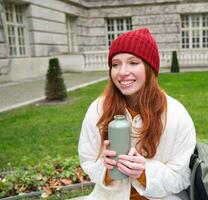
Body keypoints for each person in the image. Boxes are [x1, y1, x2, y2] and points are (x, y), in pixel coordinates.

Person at [78, 28, 196, 200]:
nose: (122, 72)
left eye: (133, 62)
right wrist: (106, 169)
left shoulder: (177, 114)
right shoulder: (98, 109)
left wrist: (144, 172)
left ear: (149, 68)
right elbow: (87, 161)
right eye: (116, 64)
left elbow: (182, 176)